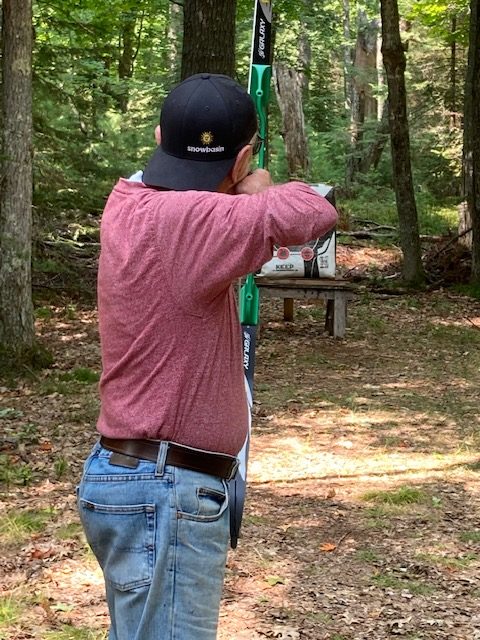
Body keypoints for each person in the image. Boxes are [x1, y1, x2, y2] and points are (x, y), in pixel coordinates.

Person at [77, 73, 337, 640]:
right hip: (165, 486)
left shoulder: (131, 202)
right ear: (242, 158)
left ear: (158, 134)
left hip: (144, 479)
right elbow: (315, 211)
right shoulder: (191, 221)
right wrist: (258, 187)